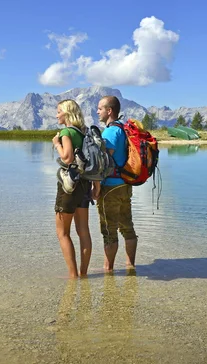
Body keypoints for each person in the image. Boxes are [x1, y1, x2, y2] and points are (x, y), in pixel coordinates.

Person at [52, 99, 97, 278]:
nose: (56, 115)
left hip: (69, 186)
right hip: (85, 185)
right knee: (83, 231)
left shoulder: (67, 132)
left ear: (66, 113)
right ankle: (83, 274)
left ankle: (72, 276)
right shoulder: (83, 132)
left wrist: (57, 143)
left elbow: (67, 158)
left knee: (62, 233)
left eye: (58, 111)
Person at [93, 95, 138, 272]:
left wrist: (95, 186)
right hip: (124, 185)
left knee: (109, 232)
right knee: (127, 227)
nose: (97, 111)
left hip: (110, 187)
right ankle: (130, 265)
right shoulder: (123, 129)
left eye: (100, 108)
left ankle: (108, 270)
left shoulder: (111, 131)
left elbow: (103, 161)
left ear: (109, 111)